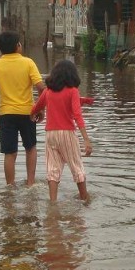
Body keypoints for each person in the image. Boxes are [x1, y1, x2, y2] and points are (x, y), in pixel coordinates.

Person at [0, 31, 46, 186]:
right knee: (30, 148)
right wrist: (40, 109)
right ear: (17, 46)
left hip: (6, 115)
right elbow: (42, 89)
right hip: (28, 114)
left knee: (9, 153)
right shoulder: (28, 63)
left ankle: (10, 187)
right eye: (20, 43)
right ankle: (30, 184)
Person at [31, 60, 93, 202]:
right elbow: (77, 115)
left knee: (52, 169)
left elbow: (36, 107)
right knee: (77, 166)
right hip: (67, 133)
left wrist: (32, 116)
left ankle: (53, 203)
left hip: (50, 135)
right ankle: (84, 198)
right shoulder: (73, 91)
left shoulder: (48, 92)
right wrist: (86, 139)